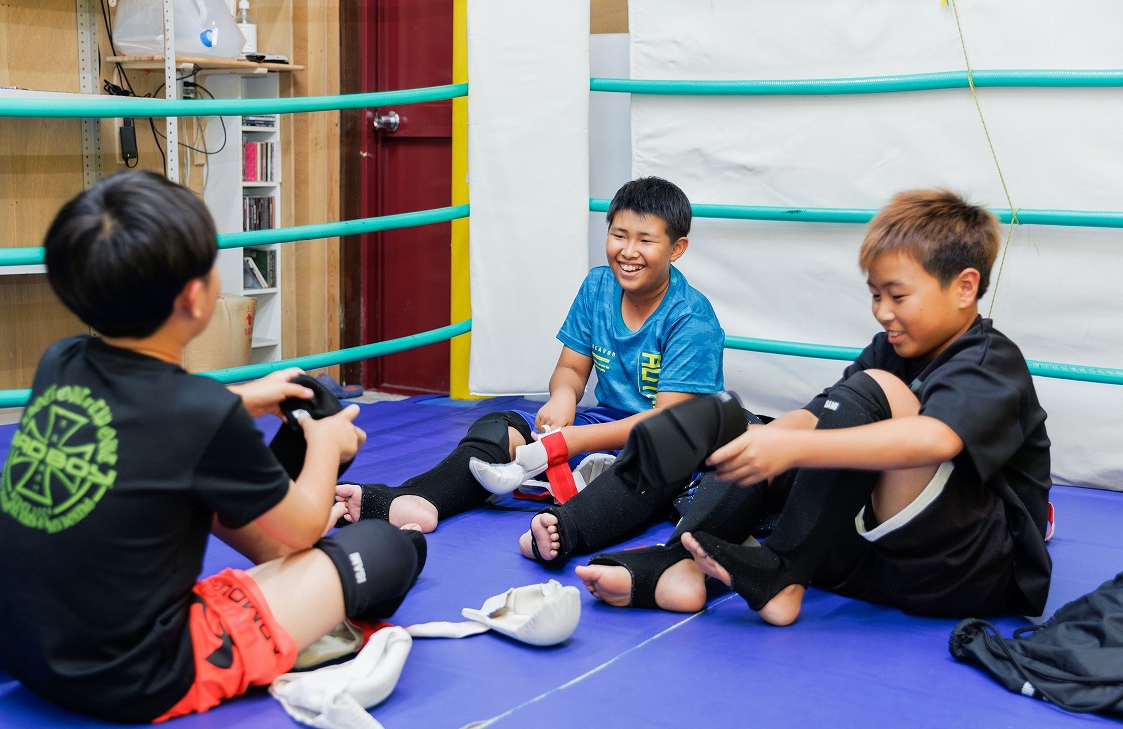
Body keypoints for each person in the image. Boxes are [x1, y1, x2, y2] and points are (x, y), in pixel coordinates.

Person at [0, 171, 426, 724]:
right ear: (195, 297)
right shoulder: (200, 415)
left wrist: (239, 397)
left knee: (200, 483)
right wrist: (327, 445)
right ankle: (326, 612)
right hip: (134, 676)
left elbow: (145, 416)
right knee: (387, 551)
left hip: (15, 642)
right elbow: (307, 526)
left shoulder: (60, 360)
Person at [578, 188, 1052, 627]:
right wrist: (762, 440)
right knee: (771, 434)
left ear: (965, 288)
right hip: (873, 564)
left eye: (898, 296)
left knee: (863, 396)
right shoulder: (895, 346)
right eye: (875, 295)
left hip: (964, 571)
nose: (883, 311)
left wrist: (795, 446)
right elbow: (821, 411)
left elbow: (934, 438)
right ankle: (677, 564)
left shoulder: (989, 360)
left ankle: (783, 572)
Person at [335, 176, 727, 562]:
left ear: (676, 249)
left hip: (663, 443)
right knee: (498, 427)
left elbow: (664, 423)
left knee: (648, 466)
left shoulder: (692, 318)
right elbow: (571, 368)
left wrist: (572, 442)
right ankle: (421, 498)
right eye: (619, 235)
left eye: (646, 240)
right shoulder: (597, 287)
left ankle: (565, 527)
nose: (628, 251)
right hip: (599, 427)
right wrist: (562, 398)